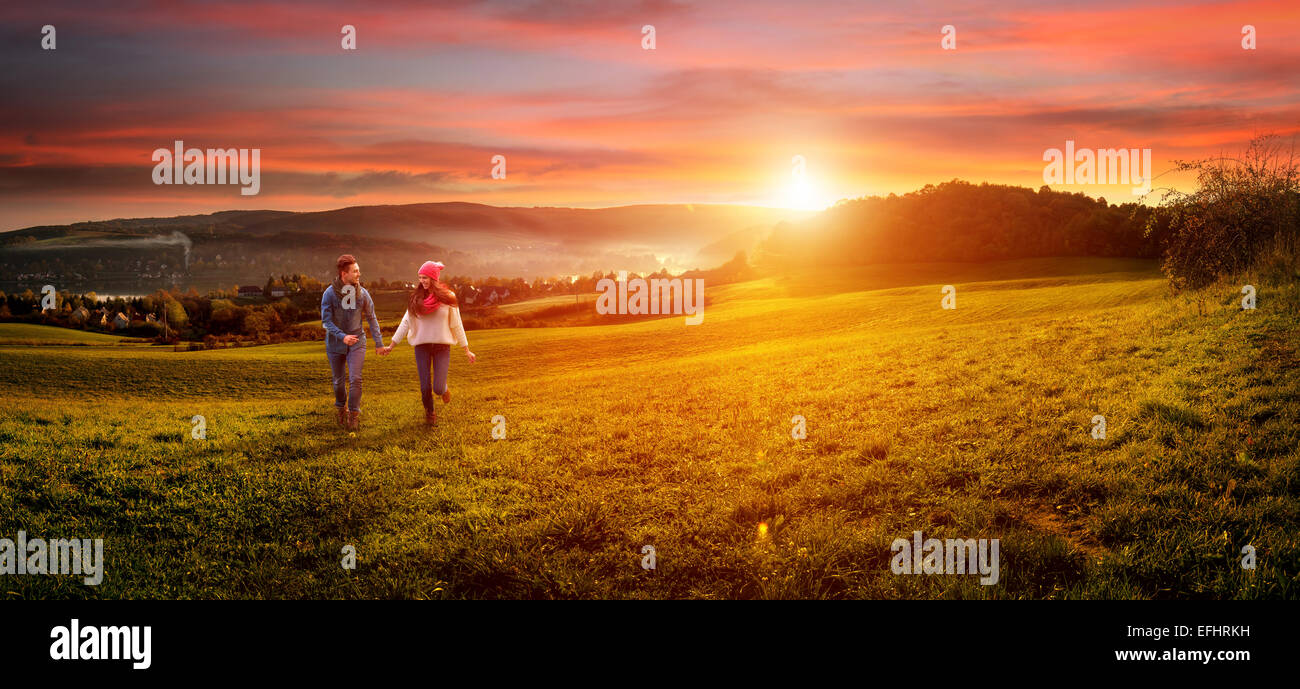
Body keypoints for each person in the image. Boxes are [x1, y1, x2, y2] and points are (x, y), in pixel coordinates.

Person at [378, 261, 476, 425]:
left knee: (437, 387)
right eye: (420, 277)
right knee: (425, 387)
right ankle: (430, 412)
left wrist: (467, 349)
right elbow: (405, 323)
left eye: (425, 277)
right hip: (421, 347)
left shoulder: (448, 299)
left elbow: (457, 324)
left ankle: (444, 389)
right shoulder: (416, 299)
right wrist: (391, 345)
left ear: (433, 278)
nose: (422, 281)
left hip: (441, 348)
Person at [321, 254, 384, 430]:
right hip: (335, 343)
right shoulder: (329, 294)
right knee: (338, 381)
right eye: (355, 271)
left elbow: (372, 318)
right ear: (344, 274)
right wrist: (342, 336)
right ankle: (341, 407)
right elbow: (326, 322)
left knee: (356, 378)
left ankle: (353, 414)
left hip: (357, 340)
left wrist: (378, 343)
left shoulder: (363, 294)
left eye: (358, 270)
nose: (359, 274)